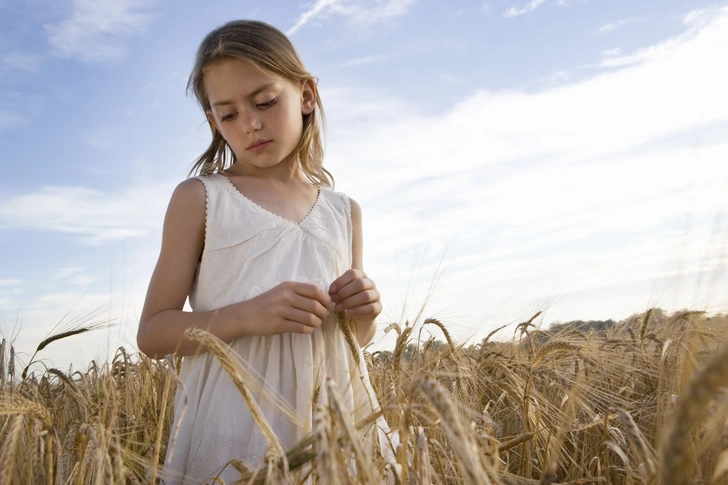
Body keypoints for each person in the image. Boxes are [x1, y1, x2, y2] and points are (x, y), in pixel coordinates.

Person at [137, 19, 393, 485]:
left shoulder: (344, 211)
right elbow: (153, 333)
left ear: (307, 95)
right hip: (235, 424)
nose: (250, 123)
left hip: (333, 421)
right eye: (228, 114)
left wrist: (365, 312)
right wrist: (245, 316)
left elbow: (353, 338)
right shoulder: (202, 198)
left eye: (265, 102)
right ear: (214, 121)